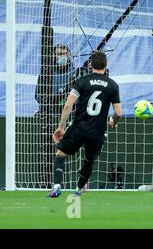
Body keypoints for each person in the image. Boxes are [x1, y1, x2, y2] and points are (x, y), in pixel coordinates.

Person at [48, 51, 122, 197]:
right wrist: (113, 122)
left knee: (61, 154)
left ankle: (57, 186)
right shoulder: (113, 85)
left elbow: (68, 105)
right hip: (98, 131)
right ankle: (79, 190)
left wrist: (61, 127)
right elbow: (118, 113)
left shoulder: (82, 81)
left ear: (90, 65)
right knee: (89, 160)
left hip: (79, 128)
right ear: (106, 65)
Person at [35, 44, 77, 188]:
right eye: (59, 54)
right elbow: (38, 94)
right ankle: (43, 181)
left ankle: (64, 183)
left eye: (64, 53)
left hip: (68, 116)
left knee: (65, 151)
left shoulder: (74, 73)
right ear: (53, 56)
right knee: (46, 151)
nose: (62, 57)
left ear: (69, 55)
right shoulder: (46, 73)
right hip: (49, 115)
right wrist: (51, 101)